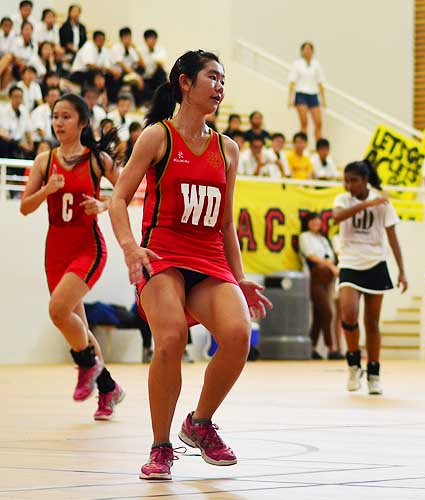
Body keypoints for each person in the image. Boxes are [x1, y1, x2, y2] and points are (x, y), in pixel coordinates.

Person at [108, 49, 272, 480]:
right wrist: (129, 248)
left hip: (209, 258)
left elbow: (225, 222)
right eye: (212, 78)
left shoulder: (228, 149)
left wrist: (239, 279)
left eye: (223, 80)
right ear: (185, 82)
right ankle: (161, 446)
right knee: (171, 337)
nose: (220, 86)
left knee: (238, 334)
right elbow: (118, 198)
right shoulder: (157, 137)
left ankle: (199, 423)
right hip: (161, 255)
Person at [19, 93, 125, 420]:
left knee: (58, 310)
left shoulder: (96, 160)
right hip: (56, 250)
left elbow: (126, 191)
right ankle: (108, 388)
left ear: (81, 122)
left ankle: (86, 367)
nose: (59, 123)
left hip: (87, 247)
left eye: (66, 117)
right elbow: (25, 207)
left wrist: (104, 204)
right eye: (55, 117)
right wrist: (47, 190)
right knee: (77, 323)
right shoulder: (43, 161)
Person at [333, 160, 407, 395]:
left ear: (365, 180)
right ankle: (354, 366)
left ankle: (374, 373)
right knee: (348, 312)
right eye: (346, 180)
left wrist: (402, 270)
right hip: (350, 262)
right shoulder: (343, 200)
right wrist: (366, 204)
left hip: (376, 261)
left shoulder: (382, 202)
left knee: (372, 323)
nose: (349, 185)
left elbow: (393, 237)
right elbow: (337, 217)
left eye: (353, 180)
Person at [299, 212, 342, 360]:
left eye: (317, 220)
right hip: (314, 279)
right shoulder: (304, 237)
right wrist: (330, 267)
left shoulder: (323, 239)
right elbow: (311, 256)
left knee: (319, 316)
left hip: (327, 281)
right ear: (308, 222)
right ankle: (332, 349)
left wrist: (330, 266)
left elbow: (330, 257)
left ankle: (312, 348)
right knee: (328, 313)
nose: (315, 223)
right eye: (312, 220)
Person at [288, 41, 326, 140]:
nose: (307, 51)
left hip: (313, 94)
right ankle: (302, 145)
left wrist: (323, 100)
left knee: (318, 122)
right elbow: (292, 82)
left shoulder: (316, 64)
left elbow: (320, 83)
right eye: (305, 49)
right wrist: (290, 99)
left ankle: (319, 144)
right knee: (304, 122)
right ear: (302, 51)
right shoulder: (297, 64)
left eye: (309, 49)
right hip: (301, 94)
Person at [140, 29, 167, 103]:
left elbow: (161, 64)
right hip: (145, 77)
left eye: (154, 38)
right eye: (150, 38)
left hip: (156, 77)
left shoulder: (161, 50)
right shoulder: (141, 51)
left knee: (161, 73)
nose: (153, 40)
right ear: (145, 40)